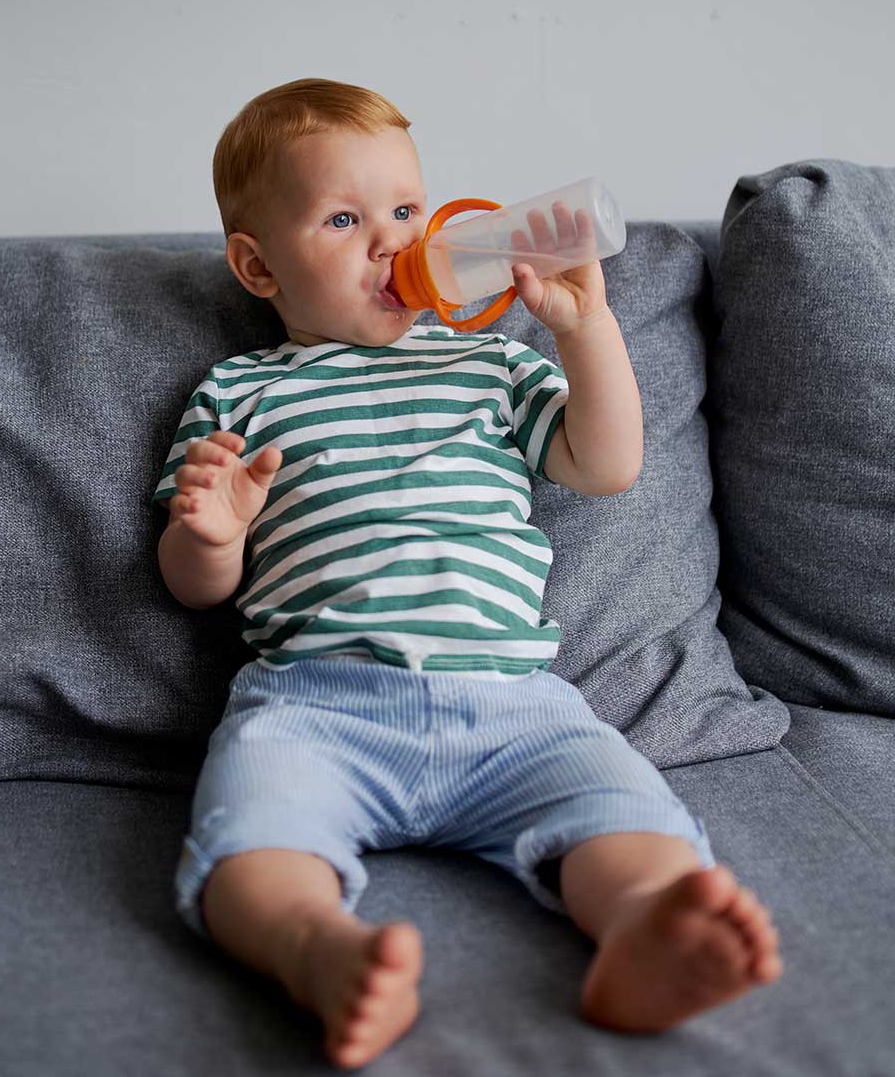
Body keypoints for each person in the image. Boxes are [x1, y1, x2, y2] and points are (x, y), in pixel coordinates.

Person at [153, 78, 781, 1070]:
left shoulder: (487, 365)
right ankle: (316, 949)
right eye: (345, 220)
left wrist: (583, 329)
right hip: (316, 703)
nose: (390, 243)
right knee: (250, 844)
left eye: (406, 211)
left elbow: (606, 463)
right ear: (258, 264)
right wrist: (212, 532)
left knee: (624, 812)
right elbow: (195, 587)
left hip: (512, 705)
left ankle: (647, 926)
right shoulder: (237, 392)